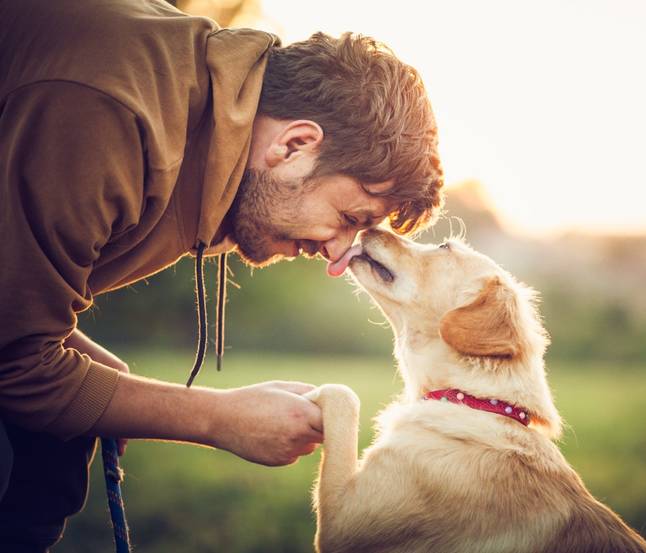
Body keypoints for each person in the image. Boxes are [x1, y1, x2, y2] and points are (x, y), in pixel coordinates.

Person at [0, 0, 444, 549]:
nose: (337, 256)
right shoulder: (111, 112)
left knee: (49, 462)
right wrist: (216, 417)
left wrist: (93, 369)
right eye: (349, 220)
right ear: (295, 145)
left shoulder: (205, 120)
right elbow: (11, 359)